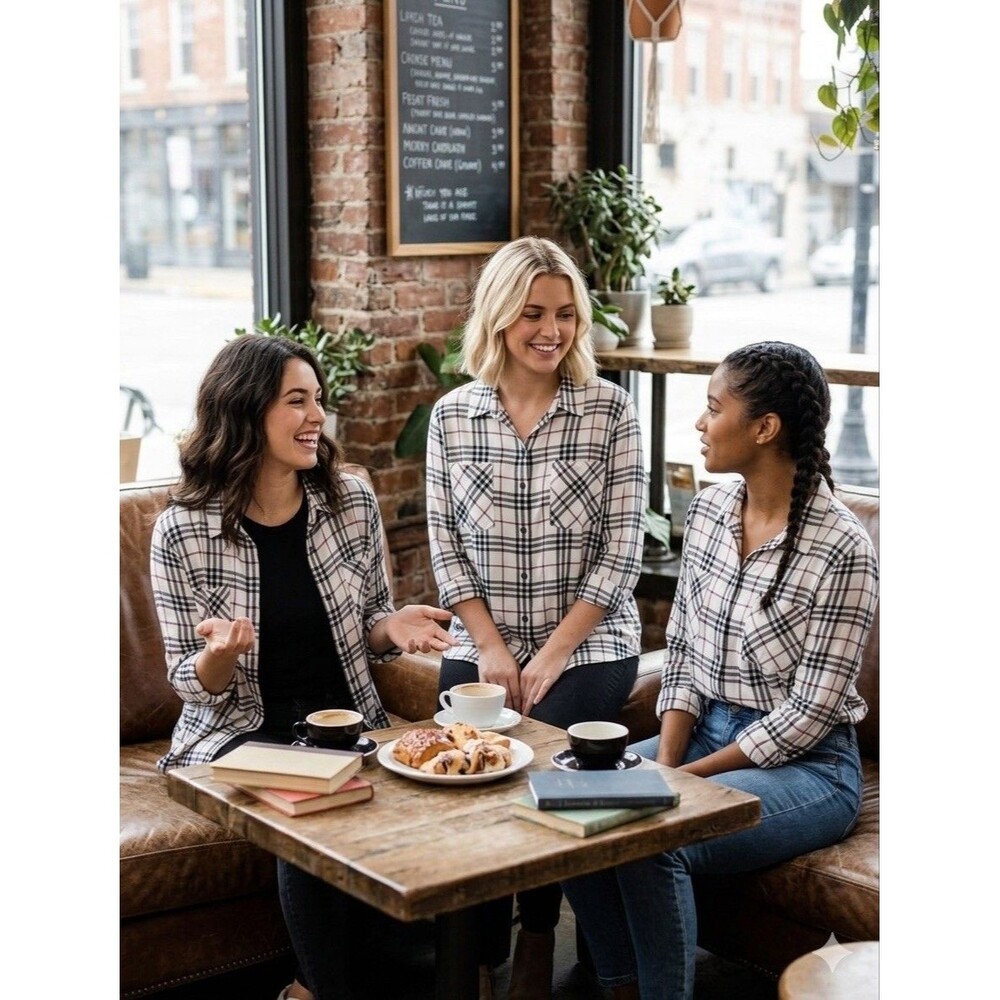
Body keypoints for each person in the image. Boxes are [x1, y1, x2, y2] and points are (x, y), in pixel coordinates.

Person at [560, 341, 879, 1000]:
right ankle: (615, 984)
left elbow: (810, 714)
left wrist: (680, 782)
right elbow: (684, 655)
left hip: (810, 764)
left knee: (657, 838)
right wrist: (670, 758)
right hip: (704, 735)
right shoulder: (708, 512)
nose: (700, 425)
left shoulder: (843, 546)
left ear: (764, 428)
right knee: (570, 800)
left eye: (713, 408)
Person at [151, 333, 457, 1000]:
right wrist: (218, 656)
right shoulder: (182, 529)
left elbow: (372, 619)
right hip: (239, 732)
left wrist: (391, 627)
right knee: (312, 804)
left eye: (318, 398)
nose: (317, 415)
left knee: (435, 800)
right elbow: (186, 680)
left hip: (342, 725)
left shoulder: (348, 501)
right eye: (297, 400)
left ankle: (310, 987)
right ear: (245, 411)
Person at [425, 236, 647, 998]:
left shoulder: (611, 412)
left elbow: (620, 558)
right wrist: (487, 648)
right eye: (532, 314)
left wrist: (549, 657)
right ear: (497, 318)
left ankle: (538, 939)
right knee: (467, 780)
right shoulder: (453, 417)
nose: (550, 331)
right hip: (483, 642)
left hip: (588, 644)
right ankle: (478, 960)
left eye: (564, 314)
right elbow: (444, 548)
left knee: (551, 767)